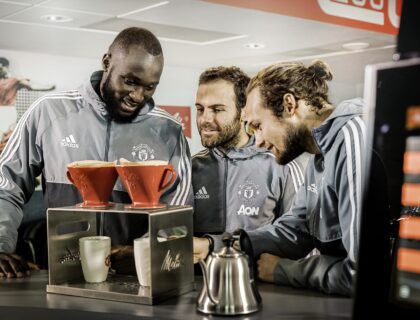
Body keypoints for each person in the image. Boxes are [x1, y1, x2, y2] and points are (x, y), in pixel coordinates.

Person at [0, 27, 192, 278]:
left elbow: (179, 212)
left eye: (150, 87)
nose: (137, 96)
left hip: (134, 278)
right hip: (62, 275)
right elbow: (6, 185)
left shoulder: (169, 131)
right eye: (130, 81)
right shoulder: (48, 113)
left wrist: (143, 252)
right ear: (106, 62)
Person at [242, 60, 365, 296]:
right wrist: (231, 244)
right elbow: (298, 231)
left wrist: (284, 270)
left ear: (289, 105)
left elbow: (361, 274)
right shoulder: (318, 157)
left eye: (257, 126)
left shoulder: (351, 139)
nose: (257, 141)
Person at [192, 66, 309, 262]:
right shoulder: (191, 167)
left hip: (261, 286)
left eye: (217, 109)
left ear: (243, 112)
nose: (205, 119)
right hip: (200, 285)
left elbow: (299, 239)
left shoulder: (282, 165)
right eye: (200, 109)